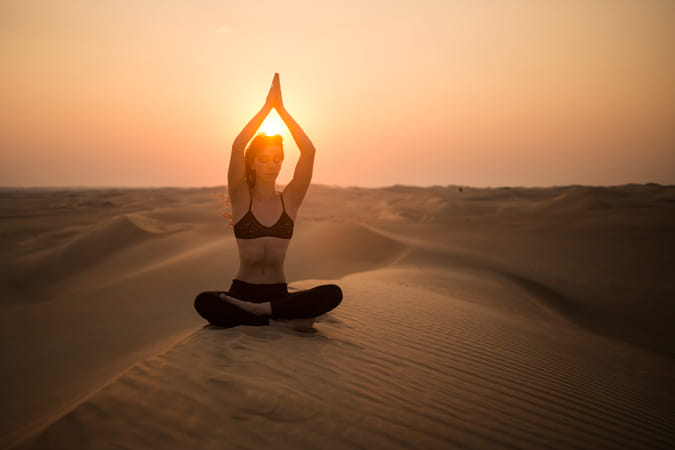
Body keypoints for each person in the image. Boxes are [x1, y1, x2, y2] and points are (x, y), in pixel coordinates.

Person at [194, 73, 342, 331]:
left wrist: (281, 110)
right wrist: (266, 108)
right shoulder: (241, 198)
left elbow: (309, 151)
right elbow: (238, 147)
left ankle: (263, 315)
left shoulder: (290, 200)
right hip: (242, 293)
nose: (271, 165)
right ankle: (277, 322)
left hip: (277, 295)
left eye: (277, 159)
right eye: (264, 159)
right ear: (252, 162)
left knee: (333, 293)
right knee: (204, 301)